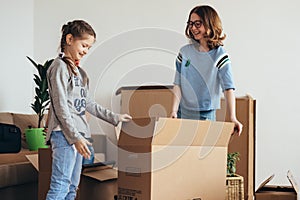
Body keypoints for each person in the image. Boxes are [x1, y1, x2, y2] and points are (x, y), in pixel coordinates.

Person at [45, 19, 132, 200]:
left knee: (72, 186)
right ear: (69, 39)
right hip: (65, 135)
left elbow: (88, 103)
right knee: (60, 184)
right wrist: (75, 137)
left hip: (79, 136)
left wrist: (114, 117)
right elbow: (61, 106)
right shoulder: (59, 67)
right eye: (84, 45)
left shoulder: (80, 73)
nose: (85, 51)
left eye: (88, 48)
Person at [171, 5, 242, 135]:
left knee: (203, 153)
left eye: (198, 24)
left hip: (206, 115)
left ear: (209, 24)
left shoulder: (220, 55)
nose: (193, 28)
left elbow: (228, 88)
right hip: (183, 113)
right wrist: (174, 111)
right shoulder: (184, 53)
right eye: (190, 24)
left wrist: (232, 117)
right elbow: (178, 84)